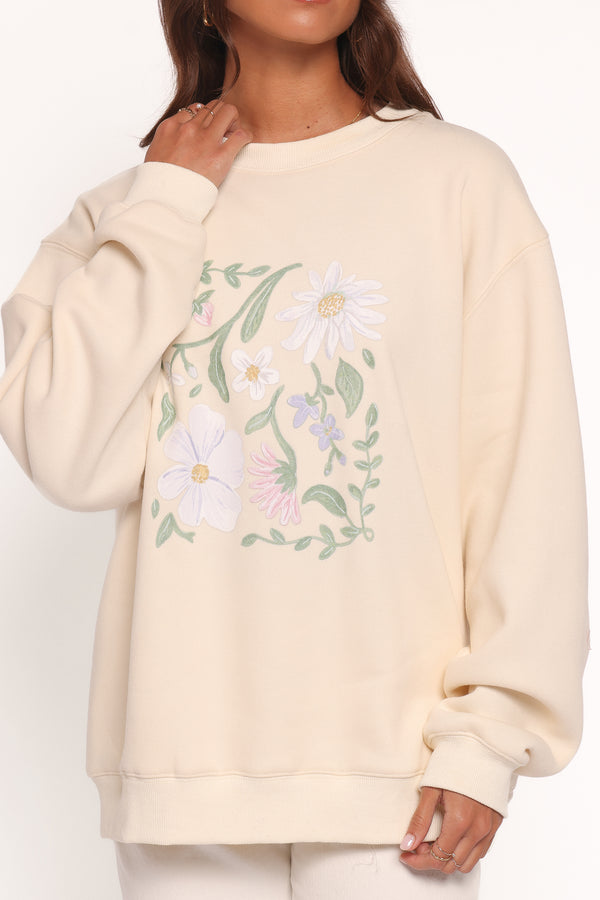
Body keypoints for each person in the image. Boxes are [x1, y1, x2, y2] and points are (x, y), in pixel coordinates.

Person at [0, 1, 590, 898]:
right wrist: (168, 203)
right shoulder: (129, 210)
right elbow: (69, 456)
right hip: (183, 774)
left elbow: (525, 479)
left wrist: (488, 739)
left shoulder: (459, 182)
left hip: (396, 778)